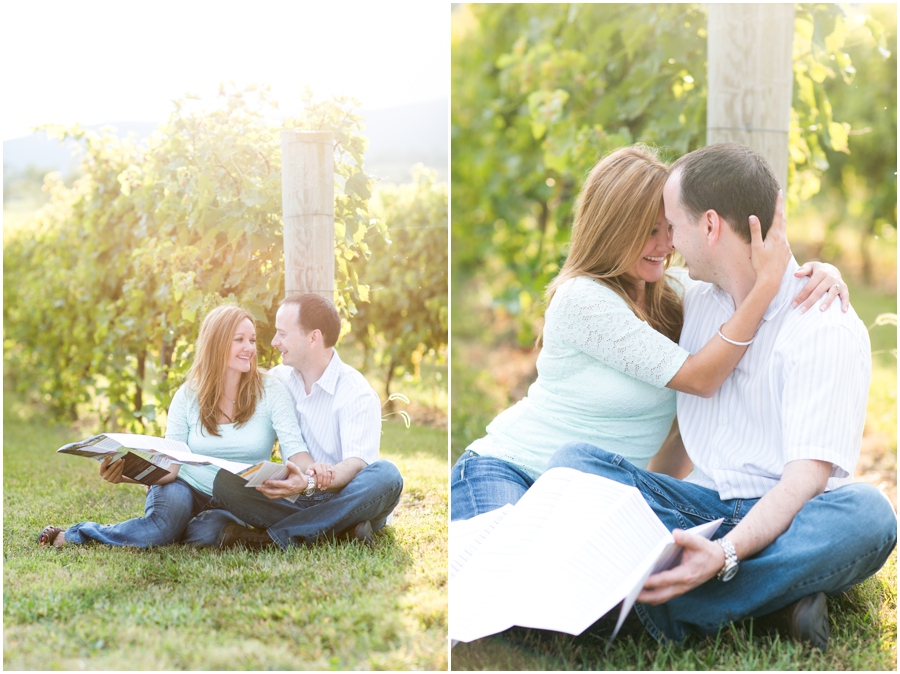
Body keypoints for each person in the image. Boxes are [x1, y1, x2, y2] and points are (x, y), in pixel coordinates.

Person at [547, 142, 897, 651]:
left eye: (672, 225)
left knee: (870, 515)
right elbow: (625, 273)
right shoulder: (695, 298)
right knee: (573, 466)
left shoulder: (824, 326)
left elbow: (801, 486)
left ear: (709, 226)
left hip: (789, 519)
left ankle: (666, 602)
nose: (667, 243)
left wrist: (728, 552)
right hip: (699, 508)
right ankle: (774, 602)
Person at [451, 144, 849, 521]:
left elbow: (731, 273)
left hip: (590, 490)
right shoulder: (582, 301)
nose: (666, 245)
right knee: (507, 564)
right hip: (511, 469)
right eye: (648, 232)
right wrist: (767, 287)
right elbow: (699, 377)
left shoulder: (675, 291)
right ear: (611, 230)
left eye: (670, 229)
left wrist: (817, 273)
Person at [38, 304, 310, 548]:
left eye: (251, 340)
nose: (250, 348)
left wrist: (311, 477)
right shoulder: (188, 395)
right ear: (216, 344)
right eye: (239, 340)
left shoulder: (272, 391)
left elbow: (295, 450)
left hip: (236, 497)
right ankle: (78, 534)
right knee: (163, 527)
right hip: (183, 485)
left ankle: (188, 529)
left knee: (212, 531)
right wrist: (122, 475)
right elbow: (171, 468)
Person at [210, 292, 404, 550]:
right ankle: (342, 531)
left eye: (283, 333)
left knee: (387, 476)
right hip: (296, 499)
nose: (275, 341)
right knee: (226, 483)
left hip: (349, 496)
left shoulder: (356, 392)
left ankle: (272, 539)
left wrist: (315, 481)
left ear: (313, 337)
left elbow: (358, 464)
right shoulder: (278, 380)